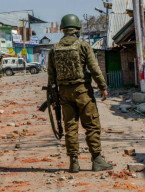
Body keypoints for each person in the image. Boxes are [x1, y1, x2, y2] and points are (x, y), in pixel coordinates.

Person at [47, 14, 113, 173]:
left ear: (62, 29)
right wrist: (103, 86)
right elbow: (94, 68)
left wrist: (53, 96)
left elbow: (51, 76)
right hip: (82, 91)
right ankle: (97, 160)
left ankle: (74, 162)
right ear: (77, 29)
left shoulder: (54, 49)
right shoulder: (83, 45)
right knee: (91, 124)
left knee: (70, 126)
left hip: (64, 93)